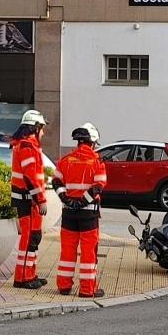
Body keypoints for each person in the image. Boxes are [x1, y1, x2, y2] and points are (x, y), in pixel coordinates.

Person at [54, 123, 108, 298]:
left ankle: (64, 286)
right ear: (92, 142)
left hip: (68, 214)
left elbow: (56, 183)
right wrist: (81, 202)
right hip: (88, 216)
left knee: (67, 251)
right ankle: (87, 290)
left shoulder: (65, 161)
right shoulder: (97, 162)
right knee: (88, 253)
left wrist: (67, 200)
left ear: (78, 142)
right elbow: (98, 187)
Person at [9, 109, 49, 289]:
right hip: (29, 200)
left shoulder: (27, 145)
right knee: (28, 238)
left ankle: (30, 275)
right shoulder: (26, 146)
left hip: (28, 199)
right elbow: (31, 177)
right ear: (35, 128)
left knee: (33, 237)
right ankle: (23, 278)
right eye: (42, 128)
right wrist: (40, 200)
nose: (44, 132)